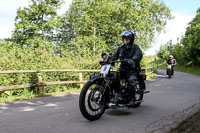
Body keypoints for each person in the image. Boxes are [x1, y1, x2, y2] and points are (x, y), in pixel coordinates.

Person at [112, 30, 143, 107]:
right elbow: (115, 56)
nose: (125, 39)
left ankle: (132, 99)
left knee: (131, 80)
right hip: (123, 69)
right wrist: (111, 59)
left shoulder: (135, 47)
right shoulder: (121, 48)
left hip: (133, 69)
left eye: (127, 37)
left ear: (131, 38)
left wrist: (133, 59)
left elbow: (138, 55)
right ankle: (117, 94)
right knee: (113, 78)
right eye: (124, 37)